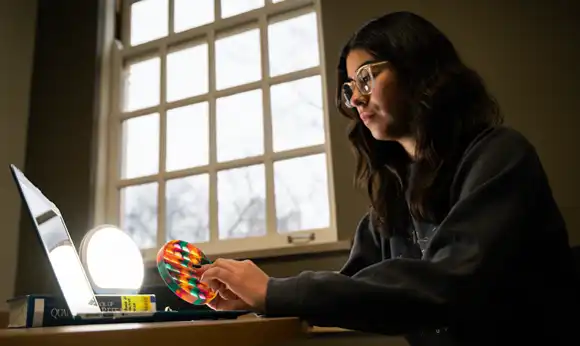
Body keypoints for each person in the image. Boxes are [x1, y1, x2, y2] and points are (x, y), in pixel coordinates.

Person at [197, 11, 579, 345]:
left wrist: (274, 291)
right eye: (350, 89)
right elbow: (355, 286)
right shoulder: (393, 197)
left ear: (419, 71)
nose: (356, 100)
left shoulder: (501, 156)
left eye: (366, 78)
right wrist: (258, 297)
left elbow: (446, 284)